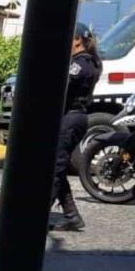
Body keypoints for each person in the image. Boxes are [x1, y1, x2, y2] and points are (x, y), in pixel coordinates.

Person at [50, 22, 102, 231]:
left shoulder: (82, 63)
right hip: (69, 118)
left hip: (72, 118)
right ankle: (71, 215)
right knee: (56, 169)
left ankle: (36, 216)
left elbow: (62, 84)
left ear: (78, 40)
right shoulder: (82, 61)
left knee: (54, 169)